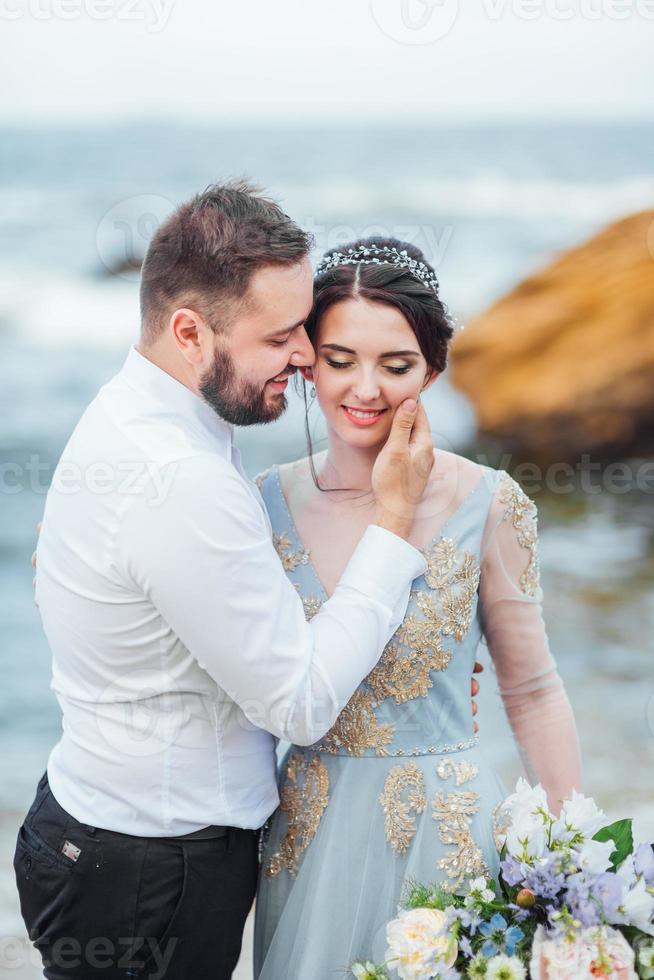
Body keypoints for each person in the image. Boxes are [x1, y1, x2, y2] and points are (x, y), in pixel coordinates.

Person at [14, 184, 454, 980]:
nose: (305, 355)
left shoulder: (138, 412)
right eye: (283, 335)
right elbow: (300, 703)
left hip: (94, 828)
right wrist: (392, 522)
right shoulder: (178, 475)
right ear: (189, 331)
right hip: (152, 870)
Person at [252, 237, 583, 978]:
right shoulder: (262, 505)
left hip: (449, 833)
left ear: (432, 369)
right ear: (306, 359)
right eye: (339, 360)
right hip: (306, 838)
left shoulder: (489, 503)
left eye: (395, 366)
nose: (364, 388)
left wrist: (569, 868)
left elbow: (530, 689)